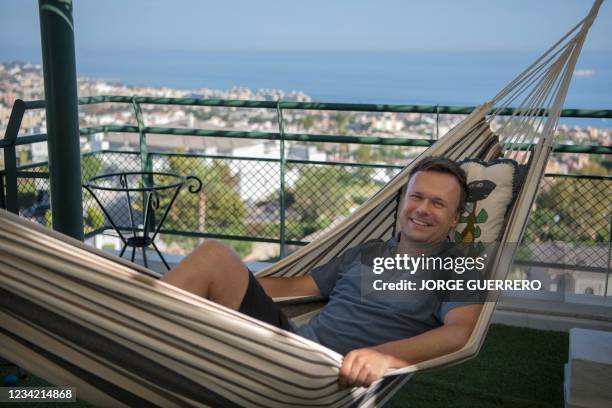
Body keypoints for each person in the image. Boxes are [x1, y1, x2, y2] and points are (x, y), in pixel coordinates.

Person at [162, 156, 482, 388]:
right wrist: (224, 284)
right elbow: (298, 286)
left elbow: (460, 333)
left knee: (214, 257)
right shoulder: (366, 252)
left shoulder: (459, 265)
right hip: (290, 347)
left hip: (327, 378)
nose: (423, 209)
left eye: (438, 203)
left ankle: (140, 332)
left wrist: (384, 357)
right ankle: (135, 325)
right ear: (403, 203)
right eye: (417, 196)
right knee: (214, 257)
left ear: (455, 220)